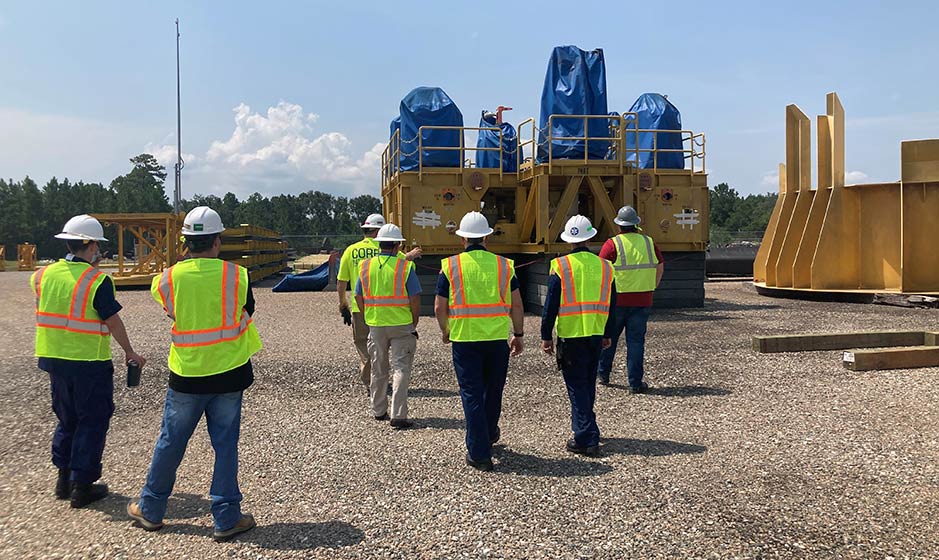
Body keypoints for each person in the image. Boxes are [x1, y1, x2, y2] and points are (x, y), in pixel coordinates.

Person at [127, 206, 262, 542]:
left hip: (186, 374)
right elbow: (248, 309)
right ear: (217, 241)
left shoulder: (167, 278)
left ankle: (152, 508)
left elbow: (171, 309)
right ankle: (227, 516)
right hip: (230, 373)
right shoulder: (237, 275)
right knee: (226, 446)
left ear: (186, 242)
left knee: (171, 441)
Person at [31, 214, 146, 508]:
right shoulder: (97, 280)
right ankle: (82, 485)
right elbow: (112, 321)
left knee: (66, 419)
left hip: (53, 359)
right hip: (88, 361)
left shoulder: (42, 275)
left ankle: (63, 479)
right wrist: (129, 352)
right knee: (92, 420)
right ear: (92, 246)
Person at [434, 212, 524, 472]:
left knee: (472, 394)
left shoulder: (450, 266)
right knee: (493, 391)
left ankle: (479, 452)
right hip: (496, 339)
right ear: (486, 237)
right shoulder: (505, 266)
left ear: (462, 239)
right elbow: (516, 304)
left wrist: (446, 330)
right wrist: (518, 334)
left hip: (465, 340)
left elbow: (440, 306)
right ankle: (490, 432)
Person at [540, 216, 615, 457]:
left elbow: (551, 305)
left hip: (571, 335)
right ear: (590, 237)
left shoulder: (560, 266)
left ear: (568, 241)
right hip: (595, 333)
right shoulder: (605, 266)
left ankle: (586, 436)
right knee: (588, 383)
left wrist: (546, 336)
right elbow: (612, 303)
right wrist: (608, 333)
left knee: (576, 386)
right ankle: (587, 426)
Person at [337, 214, 421, 392]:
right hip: (391, 311)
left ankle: (371, 383)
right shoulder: (390, 249)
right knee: (391, 352)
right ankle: (384, 384)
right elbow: (399, 267)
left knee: (364, 345)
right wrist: (410, 256)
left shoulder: (351, 250)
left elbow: (341, 281)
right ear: (379, 231)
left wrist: (343, 304)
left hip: (362, 307)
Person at [354, 223, 421, 429]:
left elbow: (358, 294)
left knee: (378, 367)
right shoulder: (405, 267)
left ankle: (378, 410)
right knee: (401, 368)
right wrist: (414, 321)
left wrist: (368, 315)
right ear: (398, 246)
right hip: (401, 324)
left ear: (379, 244)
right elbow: (415, 297)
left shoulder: (365, 266)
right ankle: (398, 415)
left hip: (376, 324)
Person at [596, 206, 664, 392]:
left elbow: (601, 270)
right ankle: (635, 383)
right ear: (636, 224)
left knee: (609, 338)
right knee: (636, 342)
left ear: (619, 225)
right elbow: (659, 266)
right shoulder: (649, 242)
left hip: (616, 301)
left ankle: (603, 374)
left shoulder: (612, 244)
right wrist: (652, 286)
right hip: (642, 301)